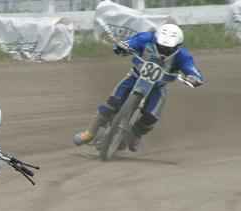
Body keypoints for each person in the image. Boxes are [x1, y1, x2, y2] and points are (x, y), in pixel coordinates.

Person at [73, 23, 204, 151]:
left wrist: (193, 77)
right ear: (156, 39)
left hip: (157, 87)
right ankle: (89, 133)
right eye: (160, 46)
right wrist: (123, 47)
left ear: (178, 47)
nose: (163, 50)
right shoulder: (146, 38)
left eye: (168, 48)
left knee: (151, 117)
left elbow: (192, 70)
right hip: (134, 77)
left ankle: (136, 135)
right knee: (111, 105)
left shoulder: (183, 55)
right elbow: (130, 43)